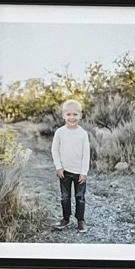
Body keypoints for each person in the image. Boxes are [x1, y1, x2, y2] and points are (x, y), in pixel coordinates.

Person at [51, 99, 90, 233]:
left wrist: (84, 172)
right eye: (68, 114)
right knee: (65, 196)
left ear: (80, 115)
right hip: (64, 171)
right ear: (63, 115)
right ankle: (65, 218)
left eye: (75, 114)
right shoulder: (60, 132)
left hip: (79, 173)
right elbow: (55, 150)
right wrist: (58, 167)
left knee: (80, 197)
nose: (72, 117)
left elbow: (86, 154)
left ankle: (80, 220)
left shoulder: (83, 134)